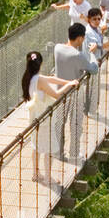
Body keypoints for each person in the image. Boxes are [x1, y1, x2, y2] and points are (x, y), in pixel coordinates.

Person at [22, 52, 77, 184]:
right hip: (44, 119)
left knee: (36, 146)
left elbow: (51, 80)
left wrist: (68, 81)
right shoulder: (39, 80)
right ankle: (47, 178)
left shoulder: (28, 77)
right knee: (48, 148)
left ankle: (36, 174)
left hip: (34, 117)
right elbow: (56, 94)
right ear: (40, 64)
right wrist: (69, 85)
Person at [53, 23, 98, 162]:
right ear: (79, 38)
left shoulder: (57, 48)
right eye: (83, 38)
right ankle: (73, 153)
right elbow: (93, 69)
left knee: (59, 123)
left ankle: (57, 152)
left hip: (59, 92)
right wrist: (92, 54)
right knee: (76, 124)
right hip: (75, 93)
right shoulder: (78, 55)